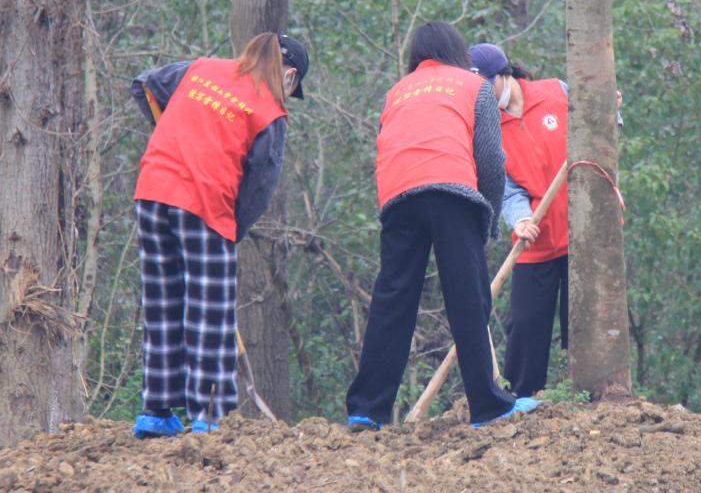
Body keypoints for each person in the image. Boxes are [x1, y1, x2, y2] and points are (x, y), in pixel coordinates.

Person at [345, 22, 538, 429]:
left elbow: (386, 144)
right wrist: (488, 217)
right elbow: (491, 160)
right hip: (452, 192)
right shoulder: (474, 86)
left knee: (392, 300)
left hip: (398, 195)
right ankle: (488, 406)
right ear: (457, 52)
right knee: (468, 298)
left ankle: (367, 409)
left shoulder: (396, 91)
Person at [129, 32, 309, 438]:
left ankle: (156, 411)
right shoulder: (270, 111)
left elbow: (145, 85)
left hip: (152, 193)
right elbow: (259, 188)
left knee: (162, 302)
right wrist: (232, 230)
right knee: (209, 314)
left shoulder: (201, 69)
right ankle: (209, 417)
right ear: (290, 76)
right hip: (205, 205)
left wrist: (174, 133)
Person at [468, 43, 570, 398]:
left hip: (583, 234)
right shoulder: (488, 129)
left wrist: (612, 113)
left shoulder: (556, 91)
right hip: (536, 239)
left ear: (504, 75)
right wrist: (520, 219)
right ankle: (522, 403)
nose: (481, 95)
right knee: (525, 326)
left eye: (485, 86)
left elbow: (600, 130)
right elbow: (507, 190)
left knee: (582, 323)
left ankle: (588, 398)